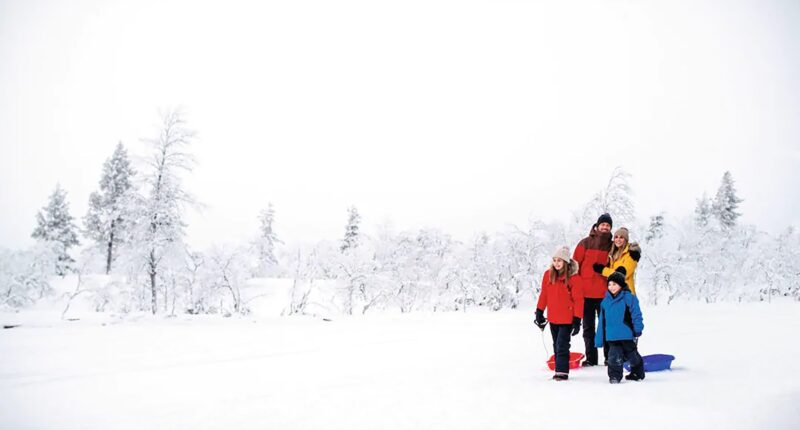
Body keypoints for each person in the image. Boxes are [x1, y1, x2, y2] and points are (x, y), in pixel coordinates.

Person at [534, 246, 583, 381]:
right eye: (554, 260)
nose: (556, 263)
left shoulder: (574, 278)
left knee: (562, 345)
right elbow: (544, 294)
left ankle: (562, 372)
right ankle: (558, 370)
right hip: (553, 317)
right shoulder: (548, 275)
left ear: (566, 262)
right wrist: (539, 311)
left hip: (567, 318)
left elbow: (579, 300)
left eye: (560, 260)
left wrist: (577, 319)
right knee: (556, 344)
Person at [572, 213, 613, 366]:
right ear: (597, 225)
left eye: (608, 226)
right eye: (603, 224)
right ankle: (591, 359)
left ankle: (609, 357)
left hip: (605, 294)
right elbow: (574, 266)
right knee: (588, 328)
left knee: (607, 327)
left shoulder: (612, 245)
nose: (605, 227)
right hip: (586, 294)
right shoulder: (585, 243)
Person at [595, 267, 645, 384]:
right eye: (609, 284)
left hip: (627, 334)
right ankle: (614, 377)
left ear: (621, 285)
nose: (611, 287)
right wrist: (599, 339)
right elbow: (602, 321)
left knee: (632, 355)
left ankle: (637, 373)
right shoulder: (605, 302)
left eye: (614, 284)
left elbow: (636, 314)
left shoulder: (629, 298)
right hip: (612, 336)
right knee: (614, 357)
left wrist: (638, 328)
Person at [592, 227, 642, 295]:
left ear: (626, 240)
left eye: (621, 237)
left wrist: (603, 270)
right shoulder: (614, 253)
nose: (618, 240)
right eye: (616, 237)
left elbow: (621, 274)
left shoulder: (631, 254)